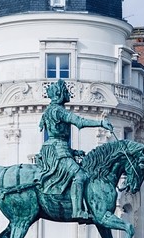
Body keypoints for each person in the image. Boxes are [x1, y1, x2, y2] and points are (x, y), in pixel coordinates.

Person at [37, 79, 113, 219]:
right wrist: (101, 123)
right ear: (60, 94)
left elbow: (55, 134)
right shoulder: (58, 111)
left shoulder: (48, 110)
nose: (68, 93)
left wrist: (73, 152)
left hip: (53, 149)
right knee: (80, 175)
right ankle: (77, 211)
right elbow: (80, 122)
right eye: (65, 91)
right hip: (57, 151)